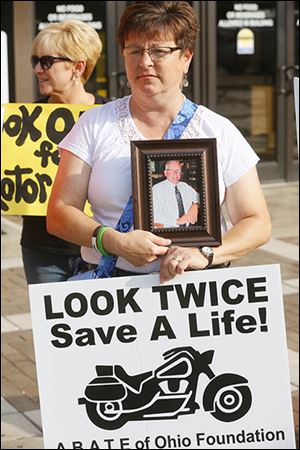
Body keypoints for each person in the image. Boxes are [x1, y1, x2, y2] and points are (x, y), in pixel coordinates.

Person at [47, 1, 271, 284]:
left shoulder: (218, 130)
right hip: (114, 295)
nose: (145, 62)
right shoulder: (93, 125)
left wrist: (205, 253)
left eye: (159, 51)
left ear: (186, 57)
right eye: (135, 51)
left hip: (197, 293)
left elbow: (257, 222)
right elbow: (59, 212)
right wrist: (113, 241)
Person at [20, 20, 110, 284]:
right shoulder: (24, 120)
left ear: (78, 67)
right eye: (35, 61)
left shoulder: (111, 117)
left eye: (46, 61)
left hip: (100, 249)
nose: (37, 69)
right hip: (43, 250)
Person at [152, 160, 200, 228]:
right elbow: (153, 214)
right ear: (166, 173)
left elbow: (201, 198)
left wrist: (195, 206)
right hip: (167, 230)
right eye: (172, 170)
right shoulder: (157, 189)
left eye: (178, 170)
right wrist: (177, 221)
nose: (175, 173)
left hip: (188, 229)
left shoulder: (184, 186)